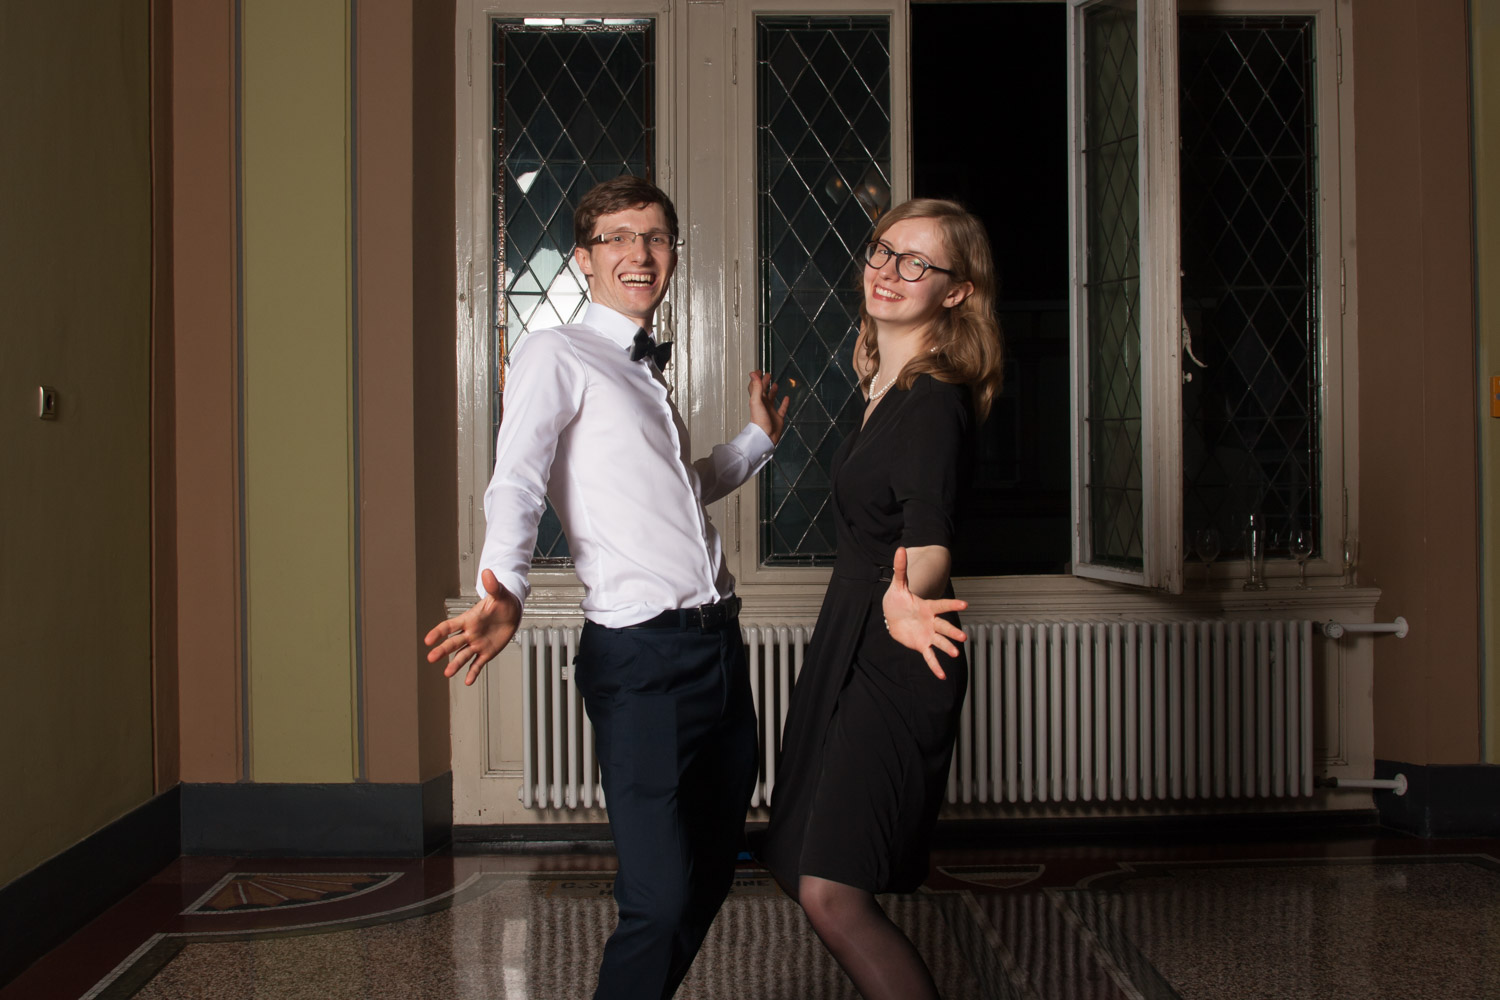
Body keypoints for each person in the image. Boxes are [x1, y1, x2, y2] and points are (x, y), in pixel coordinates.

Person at [424, 175, 788, 1000]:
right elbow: (517, 479)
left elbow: (676, 491)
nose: (639, 252)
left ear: (672, 255)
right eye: (617, 237)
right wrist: (506, 588)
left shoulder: (641, 372)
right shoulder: (555, 352)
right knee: (659, 900)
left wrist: (756, 441)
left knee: (710, 873)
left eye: (655, 237)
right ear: (584, 258)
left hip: (719, 650)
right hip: (643, 660)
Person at [759, 198, 1004, 1000]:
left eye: (918, 263)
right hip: (854, 635)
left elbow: (930, 543)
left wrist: (907, 600)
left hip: (896, 647)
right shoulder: (884, 385)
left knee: (831, 889)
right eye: (883, 251)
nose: (889, 272)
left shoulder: (932, 400)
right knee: (803, 863)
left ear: (957, 291)